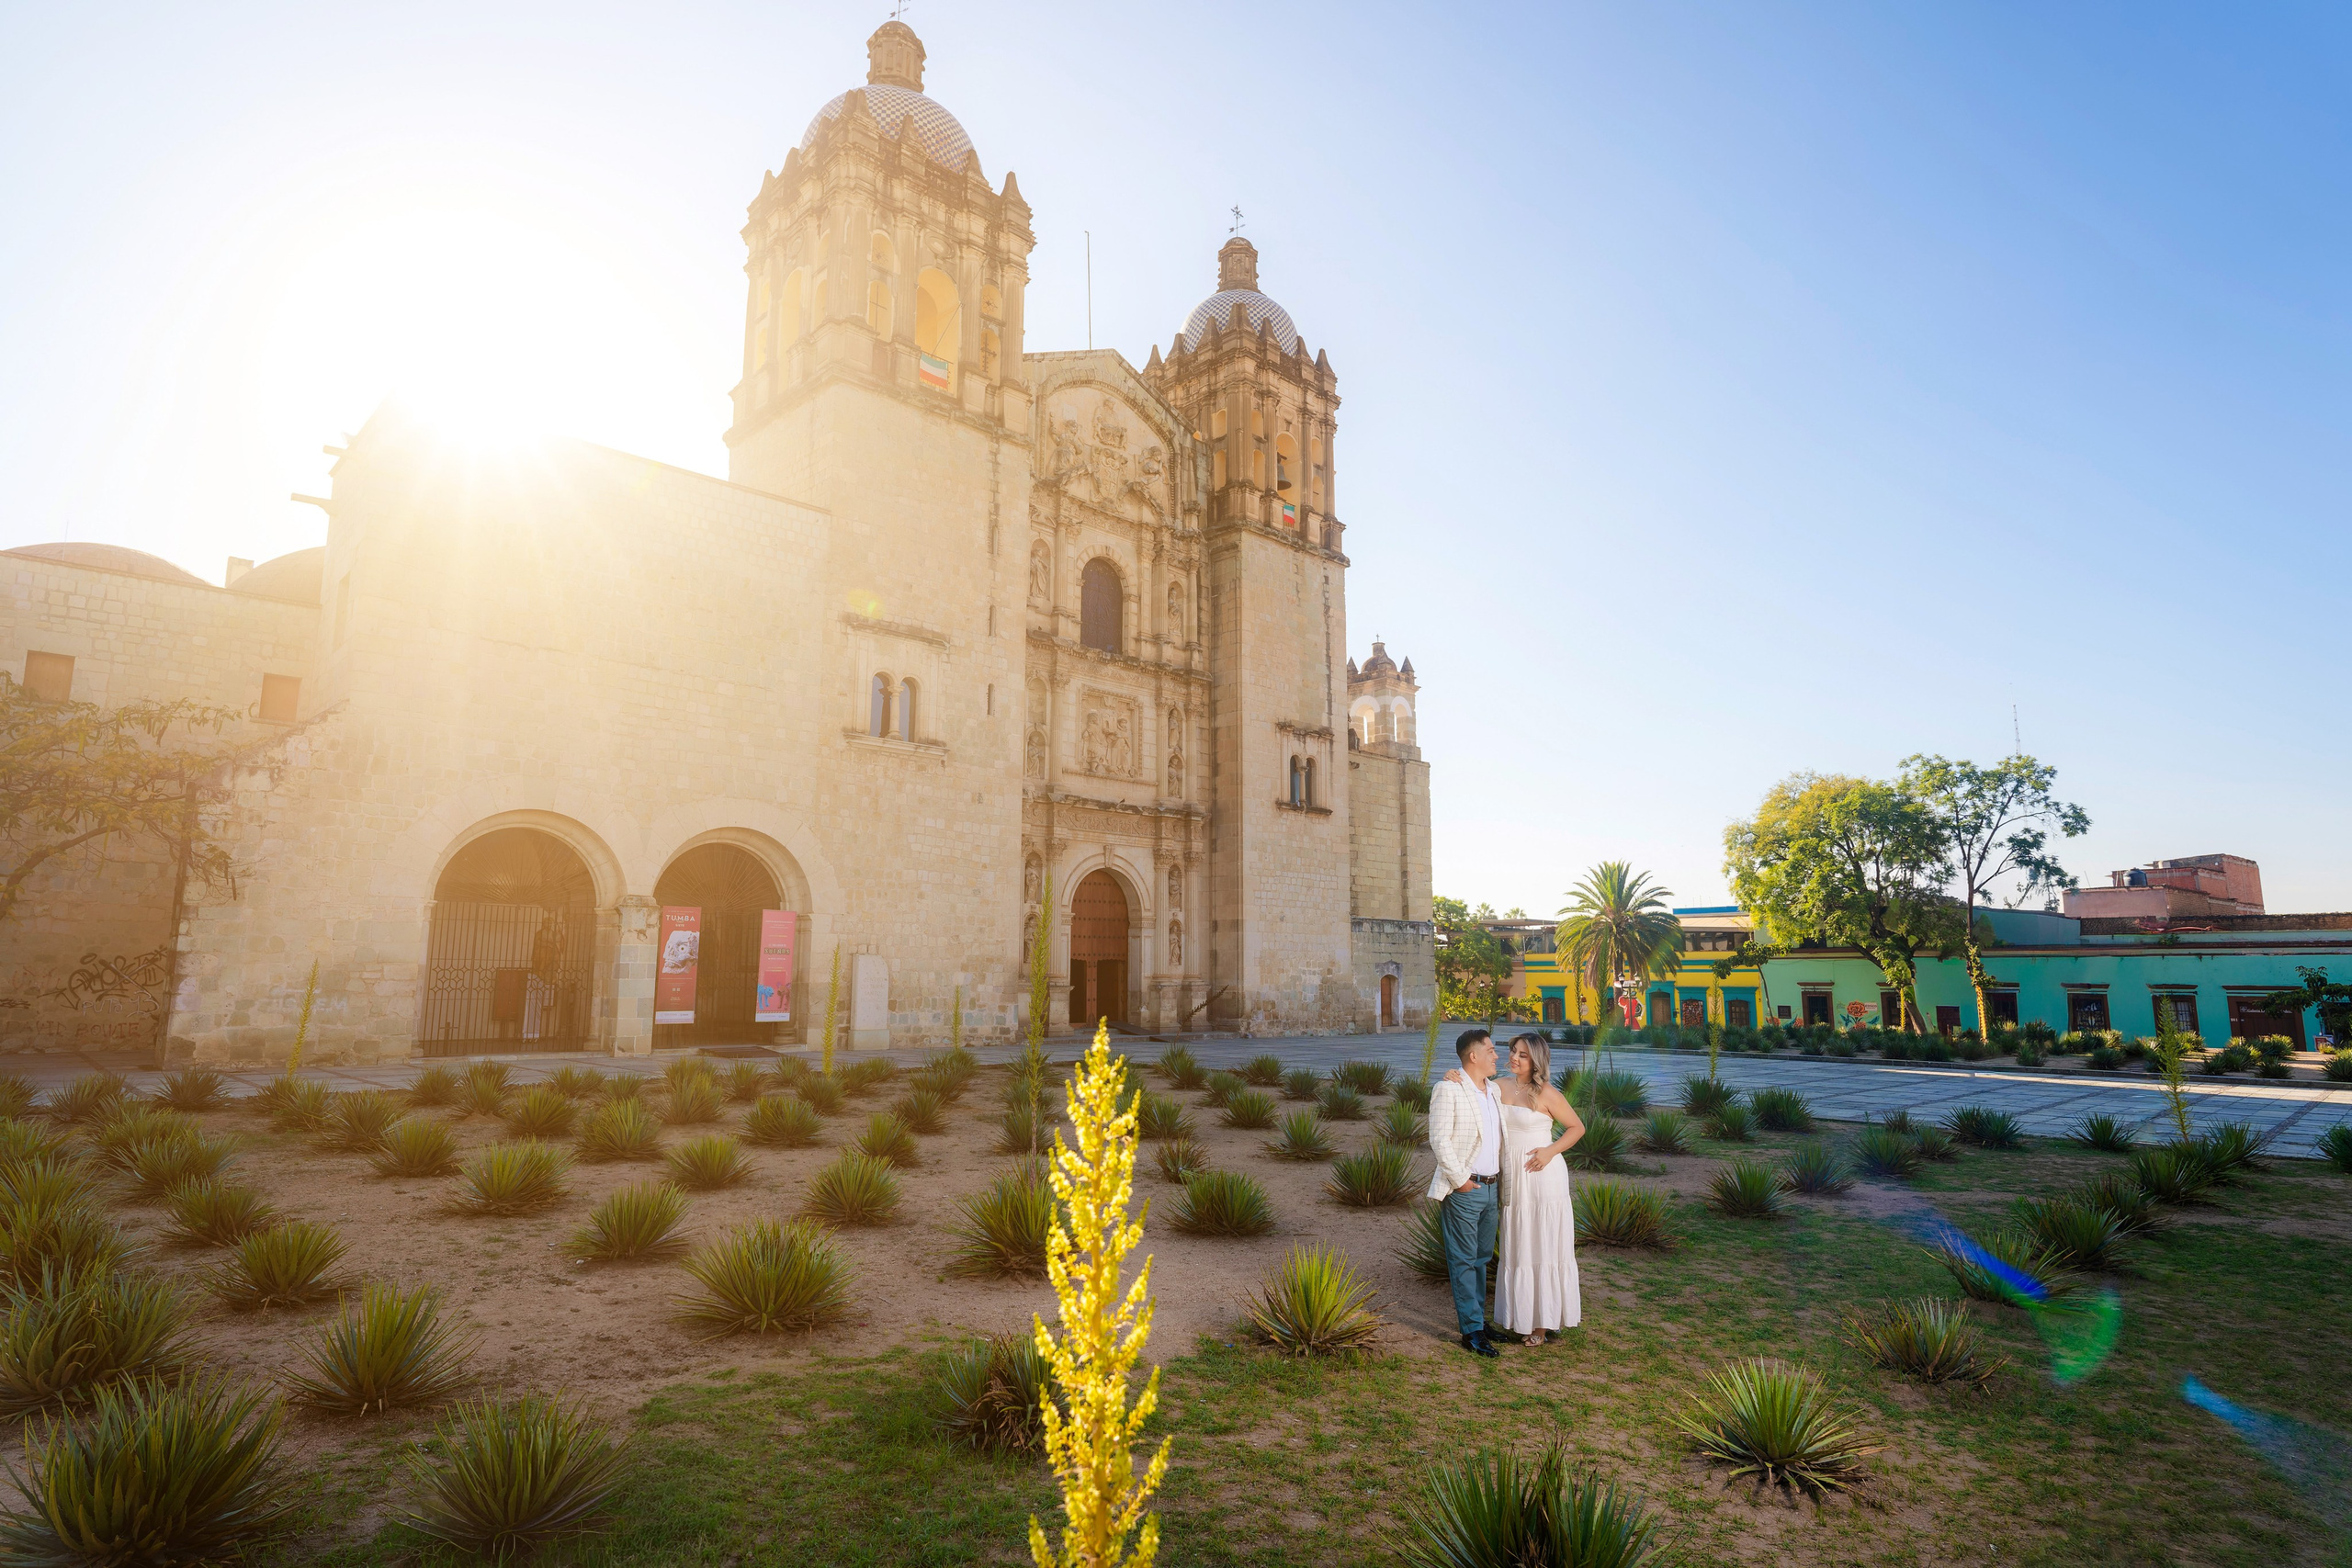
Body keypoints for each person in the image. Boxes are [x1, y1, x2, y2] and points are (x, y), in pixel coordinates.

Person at [1453, 1032, 1586, 1345]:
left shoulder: (1547, 1093)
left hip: (1542, 1177)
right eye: (1513, 1051)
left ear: (1536, 1060)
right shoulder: (1497, 1087)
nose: (1514, 1057)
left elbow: (1577, 1127)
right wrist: (1453, 1075)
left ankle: (1541, 1324)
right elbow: (1469, 1088)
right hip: (1512, 1179)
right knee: (1519, 1244)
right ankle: (1521, 1315)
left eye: (1523, 1054)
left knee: (1542, 1244)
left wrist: (1550, 1151)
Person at [1427, 1028, 1507, 1357]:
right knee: (1462, 1261)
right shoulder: (1449, 1089)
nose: (1496, 1055)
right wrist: (1460, 1180)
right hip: (1465, 1188)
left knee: (1480, 1259)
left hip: (1492, 1187)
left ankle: (1479, 1321)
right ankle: (1471, 1331)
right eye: (1490, 1050)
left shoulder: (1495, 1091)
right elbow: (1439, 1139)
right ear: (1473, 1056)